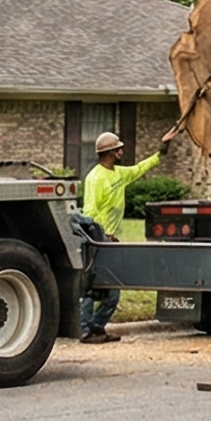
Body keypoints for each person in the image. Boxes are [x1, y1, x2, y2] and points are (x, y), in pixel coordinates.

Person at [76, 130, 165, 343]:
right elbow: (90, 211)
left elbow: (139, 169)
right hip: (97, 241)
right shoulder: (95, 178)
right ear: (109, 152)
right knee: (92, 287)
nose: (122, 151)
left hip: (110, 242)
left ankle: (98, 327)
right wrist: (98, 236)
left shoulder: (119, 173)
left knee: (113, 291)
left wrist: (161, 153)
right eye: (118, 149)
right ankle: (85, 330)